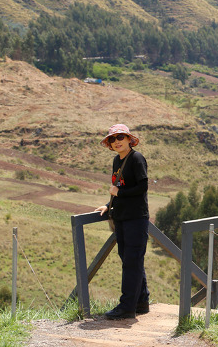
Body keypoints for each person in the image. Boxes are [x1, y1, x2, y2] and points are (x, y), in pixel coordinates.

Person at [95, 124, 150, 320]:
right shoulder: (116, 161)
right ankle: (141, 302)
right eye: (112, 139)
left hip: (136, 218)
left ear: (129, 139)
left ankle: (127, 307)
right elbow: (118, 188)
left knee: (131, 263)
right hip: (122, 218)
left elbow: (143, 187)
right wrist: (107, 204)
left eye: (120, 137)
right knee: (130, 261)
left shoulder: (136, 158)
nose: (116, 141)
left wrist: (119, 193)